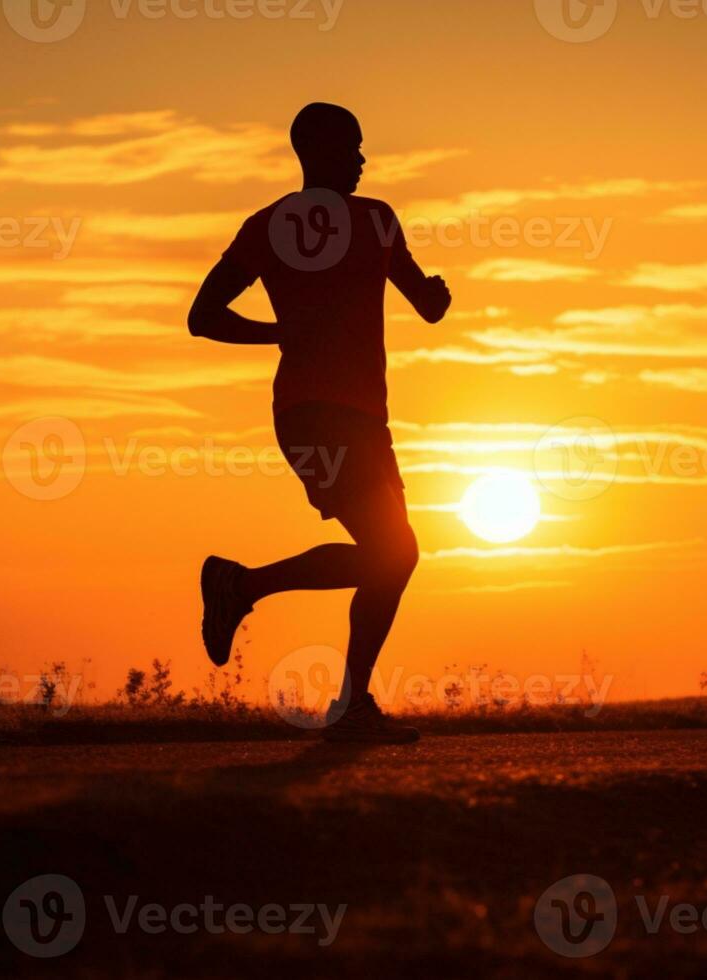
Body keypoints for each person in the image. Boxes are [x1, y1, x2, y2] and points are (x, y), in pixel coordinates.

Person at [188, 102, 451, 743]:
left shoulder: (268, 224)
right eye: (353, 147)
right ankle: (247, 589)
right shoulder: (376, 219)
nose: (363, 159)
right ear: (320, 150)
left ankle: (346, 698)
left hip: (350, 418)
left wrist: (280, 331)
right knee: (393, 552)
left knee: (397, 555)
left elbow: (206, 315)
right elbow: (430, 306)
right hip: (321, 417)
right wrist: (439, 295)